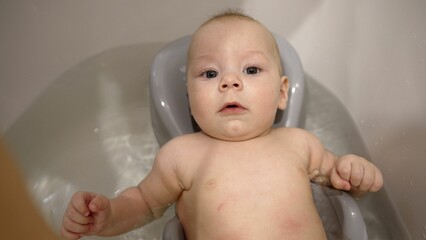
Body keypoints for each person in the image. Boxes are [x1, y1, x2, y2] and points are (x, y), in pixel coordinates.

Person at [60, 11, 383, 240]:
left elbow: (342, 184)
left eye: (252, 70)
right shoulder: (181, 156)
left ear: (282, 92)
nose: (230, 81)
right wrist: (110, 216)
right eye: (210, 74)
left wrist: (355, 172)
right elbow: (144, 204)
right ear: (190, 97)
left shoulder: (299, 144)